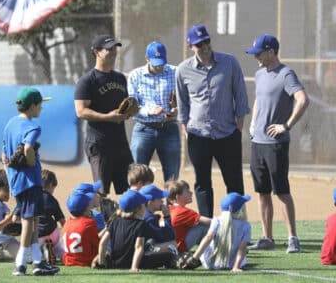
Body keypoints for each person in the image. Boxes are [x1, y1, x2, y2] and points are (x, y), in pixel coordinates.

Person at [176, 25, 250, 217]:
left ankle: (237, 226)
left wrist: (238, 128)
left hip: (227, 134)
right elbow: (182, 103)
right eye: (199, 44)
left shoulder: (229, 62)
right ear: (190, 46)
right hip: (198, 135)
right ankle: (207, 230)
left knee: (234, 182)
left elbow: (240, 95)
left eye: (207, 41)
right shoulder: (183, 70)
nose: (205, 46)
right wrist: (186, 129)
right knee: (202, 184)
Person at [245, 34, 309, 254]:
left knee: (281, 191)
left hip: (276, 143)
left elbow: (302, 100)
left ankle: (292, 238)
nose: (256, 58)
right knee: (262, 191)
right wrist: (253, 123)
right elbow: (258, 100)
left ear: (271, 52)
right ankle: (267, 237)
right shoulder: (260, 74)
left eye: (259, 53)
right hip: (258, 142)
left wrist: (287, 125)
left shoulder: (286, 74)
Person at [1, 87, 59, 276]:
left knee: (33, 220)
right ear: (32, 105)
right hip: (30, 180)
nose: (41, 108)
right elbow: (27, 149)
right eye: (40, 104)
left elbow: (4, 156)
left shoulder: (10, 124)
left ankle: (37, 262)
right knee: (28, 222)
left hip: (17, 181)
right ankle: (20, 264)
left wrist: (11, 176)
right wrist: (31, 162)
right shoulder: (33, 127)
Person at [75, 34, 134, 196]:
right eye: (109, 49)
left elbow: (123, 106)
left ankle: (125, 222)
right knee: (102, 192)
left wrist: (128, 112)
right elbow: (80, 111)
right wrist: (108, 117)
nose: (114, 52)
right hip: (99, 143)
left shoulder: (120, 78)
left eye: (115, 48)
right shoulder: (87, 81)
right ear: (96, 52)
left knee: (130, 189)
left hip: (120, 142)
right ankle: (102, 222)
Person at [128, 41, 180, 182]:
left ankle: (172, 204)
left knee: (172, 177)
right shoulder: (135, 76)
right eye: (156, 63)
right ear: (147, 58)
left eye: (162, 62)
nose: (159, 66)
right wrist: (150, 111)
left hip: (169, 128)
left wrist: (177, 111)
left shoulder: (176, 73)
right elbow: (132, 107)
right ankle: (138, 204)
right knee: (137, 175)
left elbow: (186, 100)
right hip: (143, 129)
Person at [94, 189, 175, 271]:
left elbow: (102, 242)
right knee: (169, 256)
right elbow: (138, 247)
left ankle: (100, 264)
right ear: (138, 208)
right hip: (133, 262)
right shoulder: (141, 224)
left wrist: (102, 262)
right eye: (143, 204)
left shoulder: (115, 221)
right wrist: (134, 267)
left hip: (115, 263)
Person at [188, 193, 251, 272]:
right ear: (241, 209)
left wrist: (194, 258)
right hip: (231, 264)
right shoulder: (246, 225)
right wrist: (236, 267)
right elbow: (242, 248)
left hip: (210, 263)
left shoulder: (217, 220)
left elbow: (208, 238)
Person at [62, 181, 101, 267]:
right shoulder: (89, 223)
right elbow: (99, 245)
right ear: (86, 207)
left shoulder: (67, 223)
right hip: (86, 261)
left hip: (69, 261)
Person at [166, 179, 211, 252]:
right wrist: (224, 220)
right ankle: (209, 255)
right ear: (178, 197)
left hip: (170, 246)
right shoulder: (182, 211)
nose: (191, 193)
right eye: (187, 191)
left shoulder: (170, 208)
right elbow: (209, 221)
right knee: (204, 227)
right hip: (179, 247)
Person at [37, 169, 66, 265]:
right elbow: (62, 221)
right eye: (53, 187)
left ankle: (43, 253)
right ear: (50, 185)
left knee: (32, 250)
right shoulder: (53, 200)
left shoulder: (33, 197)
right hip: (53, 233)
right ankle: (64, 257)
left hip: (38, 235)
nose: (53, 191)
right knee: (59, 248)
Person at [139, 184, 177, 253]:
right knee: (173, 244)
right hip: (144, 254)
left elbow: (162, 227)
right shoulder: (151, 219)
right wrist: (167, 216)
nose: (162, 201)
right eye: (159, 199)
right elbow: (169, 236)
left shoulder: (141, 215)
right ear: (150, 202)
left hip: (137, 250)